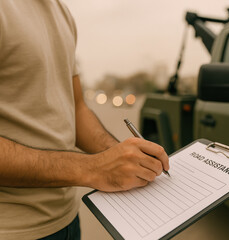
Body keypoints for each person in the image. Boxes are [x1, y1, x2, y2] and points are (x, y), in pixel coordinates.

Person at [0, 1, 169, 239]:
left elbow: (76, 108)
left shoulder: (60, 11)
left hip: (66, 220)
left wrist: (118, 154)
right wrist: (93, 168)